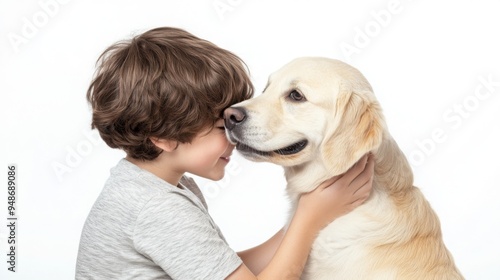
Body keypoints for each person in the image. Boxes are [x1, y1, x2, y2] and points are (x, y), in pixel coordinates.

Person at [75, 26, 374, 280]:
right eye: (222, 126)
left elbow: (220, 268)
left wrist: (308, 218)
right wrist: (309, 218)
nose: (234, 138)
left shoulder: (149, 187)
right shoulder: (157, 210)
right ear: (164, 138)